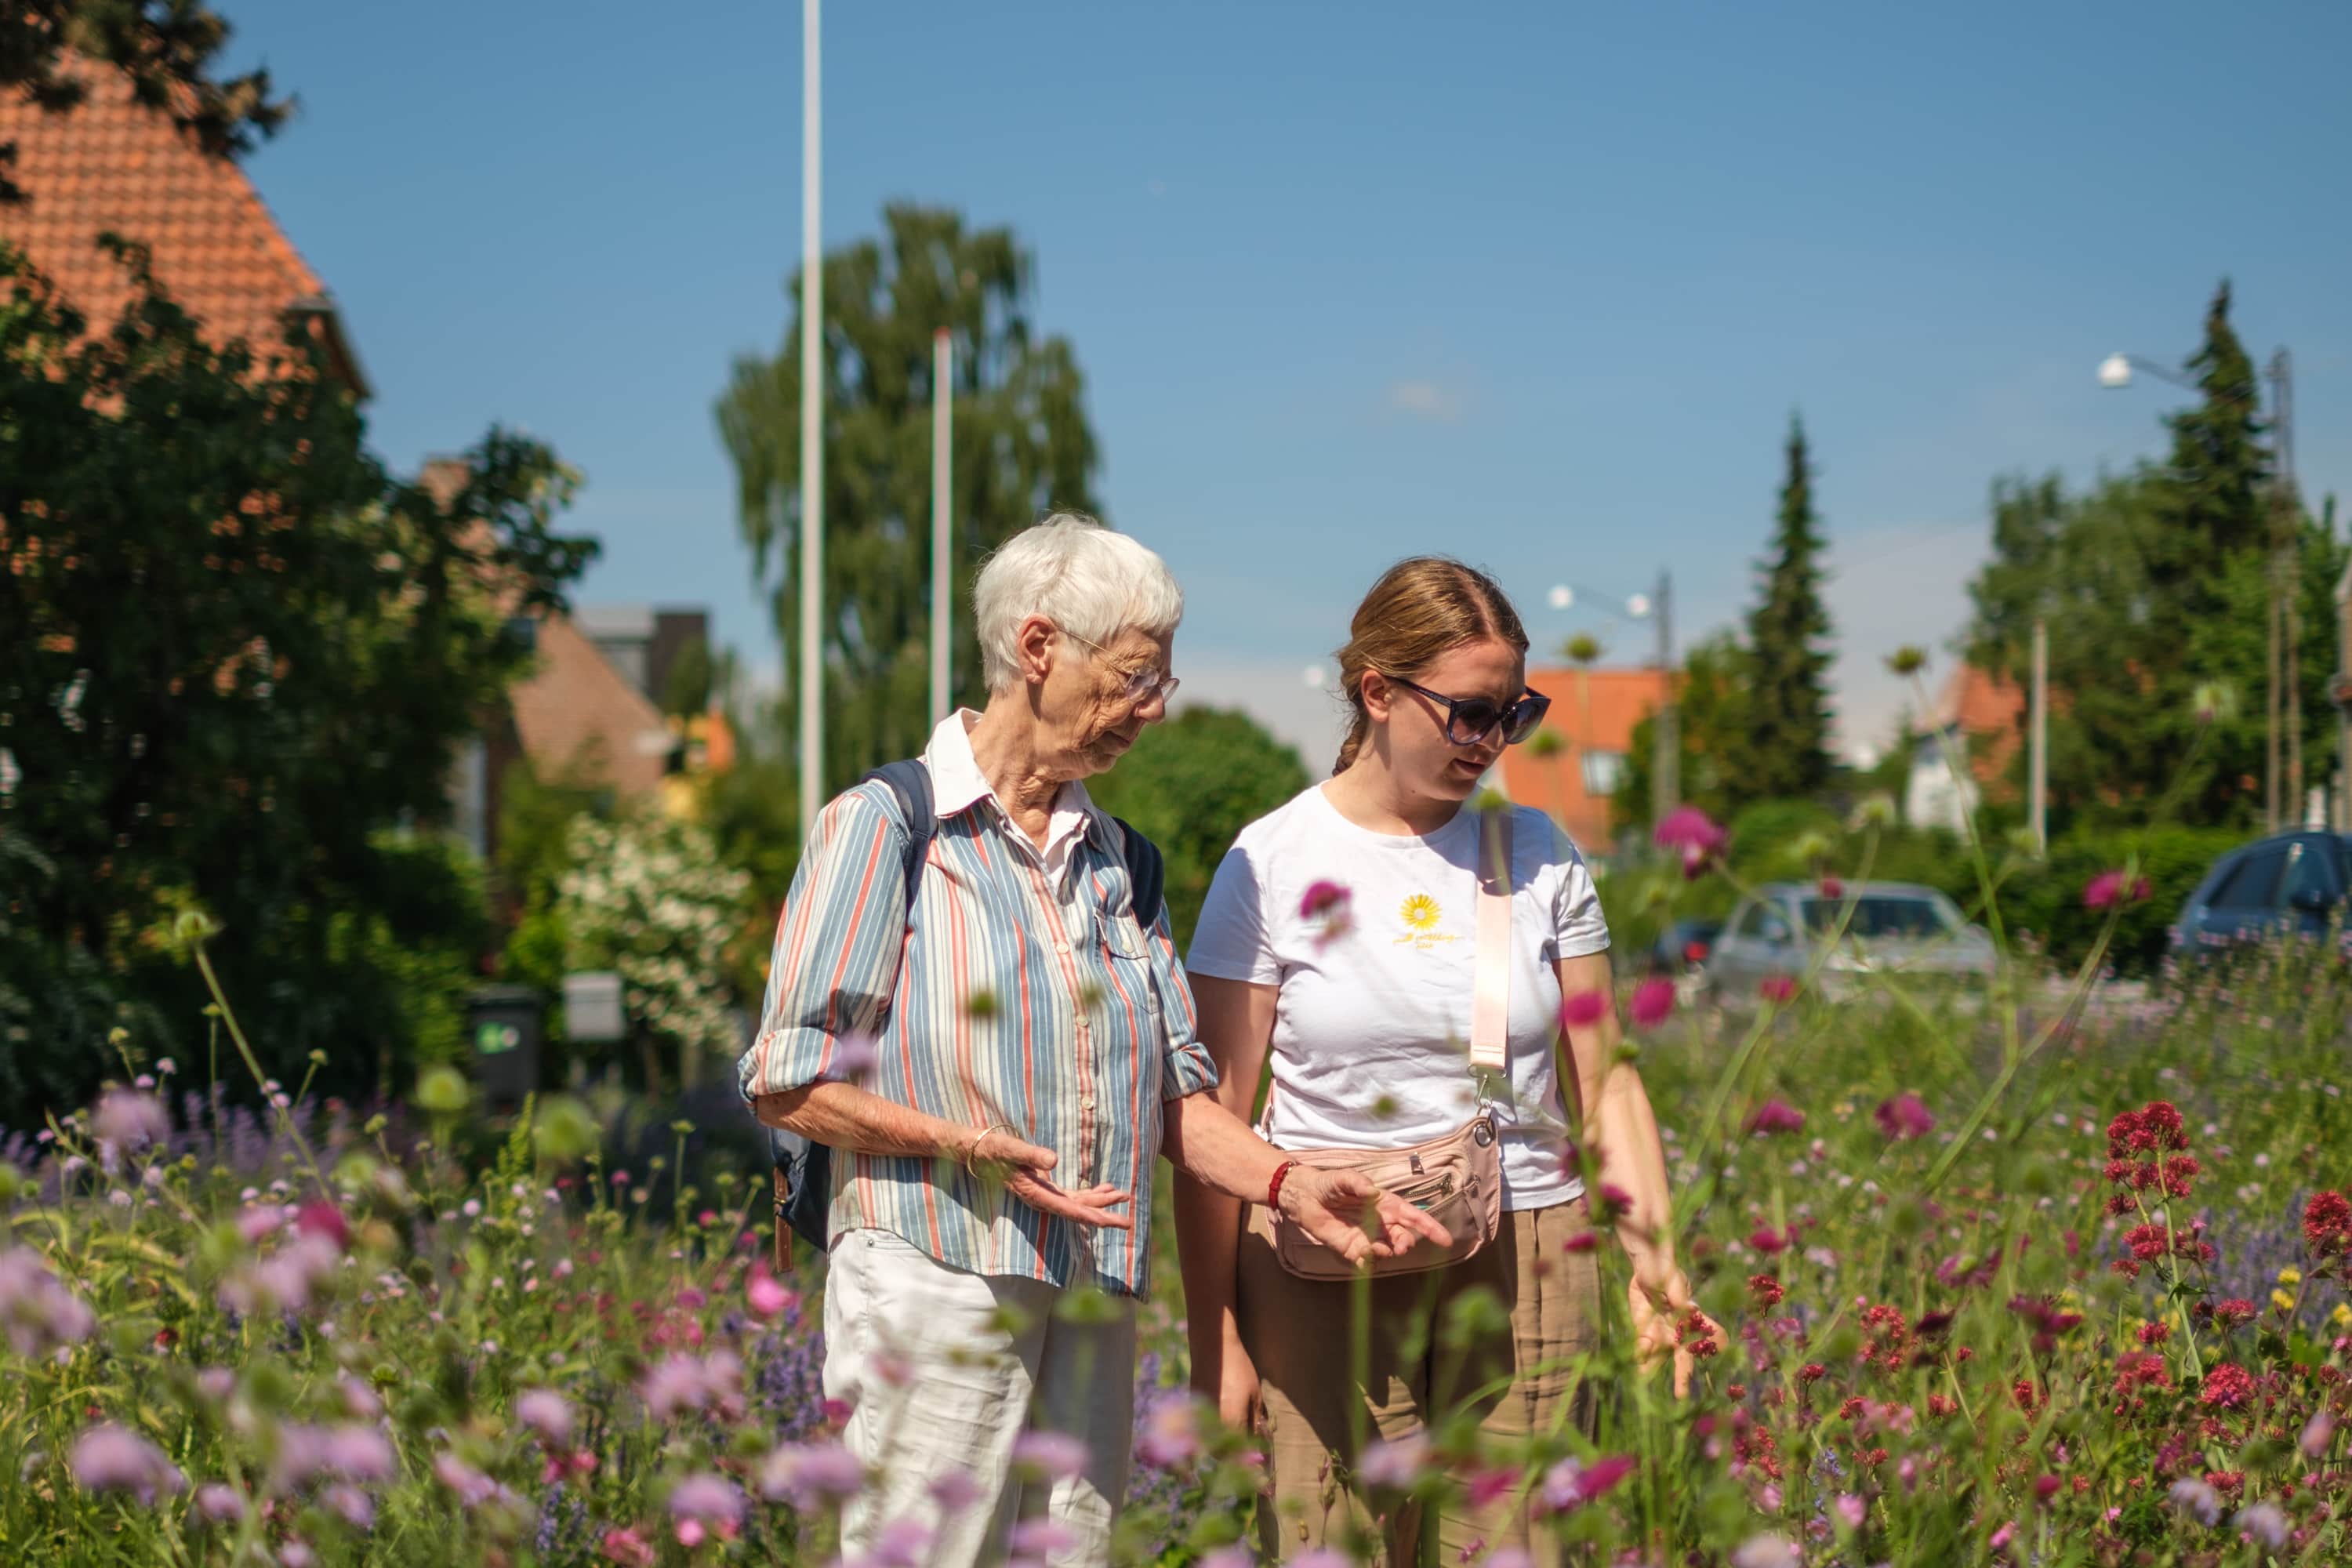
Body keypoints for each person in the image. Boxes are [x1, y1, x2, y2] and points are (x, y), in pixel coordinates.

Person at [739, 514, 1450, 1568]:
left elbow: (1180, 1102)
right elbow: (785, 1080)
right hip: (941, 1278)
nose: (1155, 710)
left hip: (1089, 1287)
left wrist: (1289, 1182)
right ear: (1038, 651)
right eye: (1134, 677)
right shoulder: (892, 826)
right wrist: (966, 1144)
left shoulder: (1123, 863)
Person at [1174, 557, 1719, 1565]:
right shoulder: (1271, 860)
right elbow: (1213, 1119)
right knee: (1328, 1544)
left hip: (1534, 1255)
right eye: (1470, 712)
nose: (1494, 742)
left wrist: (1655, 1265)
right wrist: (1220, 1338)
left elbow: (1608, 1081)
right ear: (1378, 691)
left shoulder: (1543, 849)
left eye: (1515, 713)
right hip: (1326, 1257)